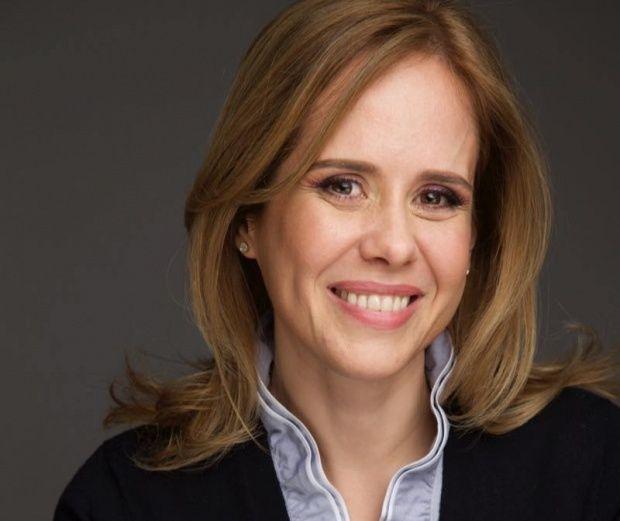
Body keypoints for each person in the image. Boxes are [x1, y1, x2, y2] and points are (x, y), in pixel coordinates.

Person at [54, 1, 620, 520]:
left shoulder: (594, 471)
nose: (394, 245)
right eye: (343, 185)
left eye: (436, 197)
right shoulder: (123, 503)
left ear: (476, 234)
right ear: (247, 219)